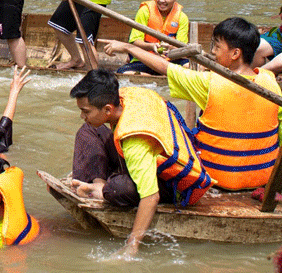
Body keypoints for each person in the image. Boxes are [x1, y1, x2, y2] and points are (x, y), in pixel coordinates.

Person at [102, 17, 282, 191]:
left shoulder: (209, 82)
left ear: (235, 53)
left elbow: (164, 67)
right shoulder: (271, 83)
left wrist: (129, 47)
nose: (212, 51)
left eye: (217, 46)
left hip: (215, 178)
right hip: (262, 178)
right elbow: (281, 134)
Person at [68, 69, 212, 258]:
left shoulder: (135, 142)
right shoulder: (126, 95)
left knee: (117, 189)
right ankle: (98, 183)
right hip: (150, 157)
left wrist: (132, 246)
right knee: (87, 131)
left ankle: (104, 190)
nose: (82, 115)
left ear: (108, 109)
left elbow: (151, 198)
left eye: (85, 111)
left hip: (175, 185)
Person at [116, 0, 189, 74]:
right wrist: (151, 46)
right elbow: (134, 41)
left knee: (189, 67)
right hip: (146, 60)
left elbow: (182, 48)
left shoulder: (182, 17)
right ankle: (162, 77)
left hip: (170, 62)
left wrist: (169, 48)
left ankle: (159, 76)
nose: (161, 0)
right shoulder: (144, 11)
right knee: (123, 72)